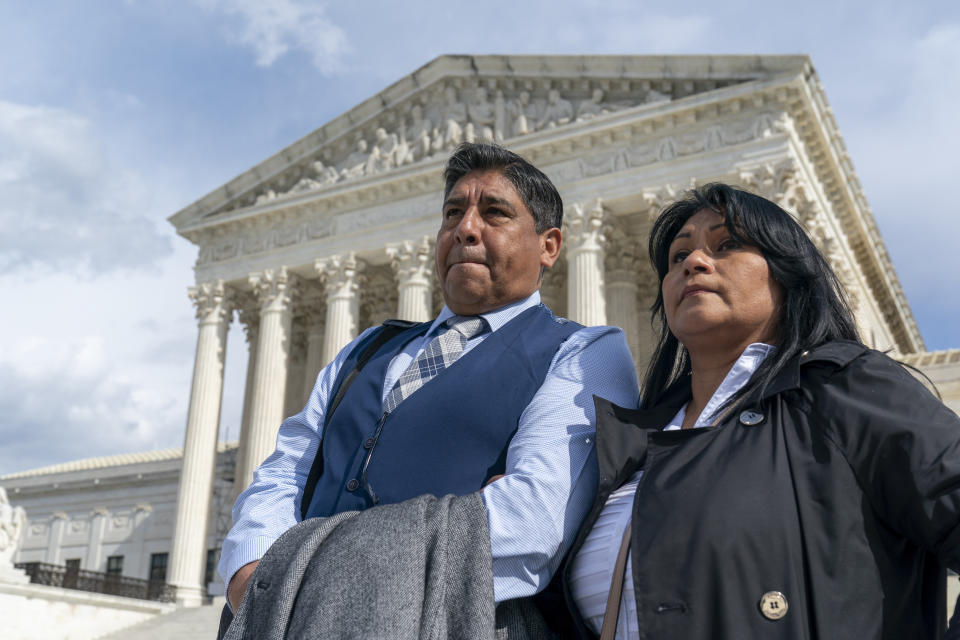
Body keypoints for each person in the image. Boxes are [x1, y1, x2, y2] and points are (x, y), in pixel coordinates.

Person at [220, 142, 639, 616]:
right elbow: (287, 469)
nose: (465, 229)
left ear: (549, 246)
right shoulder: (369, 349)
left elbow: (531, 522)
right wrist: (250, 569)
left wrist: (312, 577)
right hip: (284, 618)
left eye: (495, 213)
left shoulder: (582, 351)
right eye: (452, 212)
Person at [563, 183, 960, 639]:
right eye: (677, 257)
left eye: (727, 244)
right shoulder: (630, 445)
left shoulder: (844, 389)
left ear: (787, 273)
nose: (694, 261)